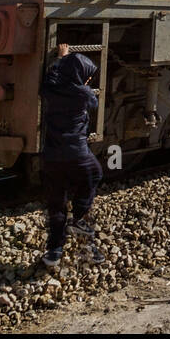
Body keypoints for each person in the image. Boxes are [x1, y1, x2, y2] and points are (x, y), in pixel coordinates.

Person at [40, 46, 106, 268]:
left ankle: (54, 252)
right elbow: (93, 103)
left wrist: (61, 59)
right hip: (77, 155)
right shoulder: (84, 94)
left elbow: (53, 76)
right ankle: (78, 218)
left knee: (56, 203)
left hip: (51, 157)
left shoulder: (50, 88)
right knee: (95, 174)